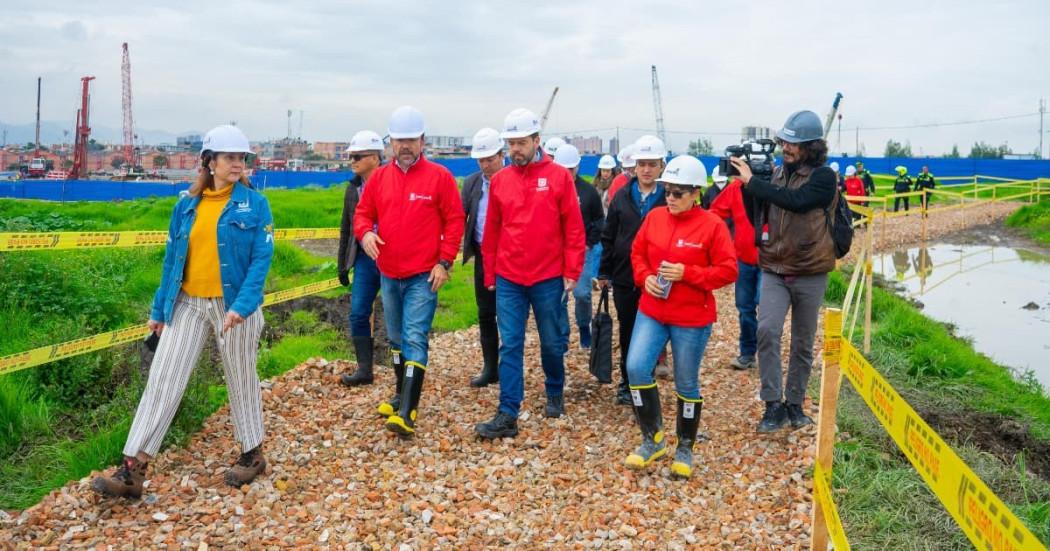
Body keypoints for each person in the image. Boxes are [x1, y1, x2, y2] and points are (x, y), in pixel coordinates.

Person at [93, 125, 275, 498]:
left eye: (242, 158)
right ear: (208, 162)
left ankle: (252, 454)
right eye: (229, 158)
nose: (237, 164)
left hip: (234, 306)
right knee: (163, 379)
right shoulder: (185, 206)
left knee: (241, 377)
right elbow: (172, 262)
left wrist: (242, 307)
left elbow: (261, 260)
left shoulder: (255, 205)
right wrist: (159, 309)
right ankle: (133, 471)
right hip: (188, 303)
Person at [623, 155, 737, 478]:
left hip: (691, 317)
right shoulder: (655, 218)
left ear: (696, 193)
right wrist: (643, 277)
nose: (669, 198)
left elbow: (728, 270)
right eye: (667, 191)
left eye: (677, 193)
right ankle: (653, 439)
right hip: (653, 310)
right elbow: (637, 252)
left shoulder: (712, 225)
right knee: (635, 367)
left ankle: (685, 447)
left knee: (686, 380)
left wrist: (688, 273)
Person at [475, 108, 586, 439]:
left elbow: (574, 228)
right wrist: (491, 274)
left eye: (521, 143)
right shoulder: (501, 182)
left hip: (548, 276)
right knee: (511, 343)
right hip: (510, 277)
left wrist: (572, 270)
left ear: (537, 141)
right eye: (510, 144)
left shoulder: (558, 177)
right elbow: (492, 230)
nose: (515, 150)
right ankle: (508, 412)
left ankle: (554, 388)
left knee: (552, 342)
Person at [354, 106, 465, 438]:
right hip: (389, 273)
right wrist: (366, 233)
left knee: (415, 337)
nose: (404, 145)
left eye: (411, 139)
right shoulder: (380, 179)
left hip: (423, 275)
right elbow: (362, 214)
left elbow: (455, 220)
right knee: (397, 338)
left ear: (422, 141)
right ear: (391, 142)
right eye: (399, 139)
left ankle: (408, 412)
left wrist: (445, 262)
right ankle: (400, 393)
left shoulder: (439, 177)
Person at [732, 109, 838, 433]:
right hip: (774, 268)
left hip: (810, 271)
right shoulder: (776, 174)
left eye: (793, 143)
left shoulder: (823, 177)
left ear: (811, 146)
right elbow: (759, 213)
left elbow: (797, 201)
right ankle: (772, 405)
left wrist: (755, 183)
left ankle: (795, 404)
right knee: (767, 330)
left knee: (803, 342)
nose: (786, 147)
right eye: (784, 141)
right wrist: (748, 186)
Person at [597, 135, 668, 405]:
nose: (646, 170)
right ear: (634, 166)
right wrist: (604, 273)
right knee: (628, 329)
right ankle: (628, 383)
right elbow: (609, 236)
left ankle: (646, 378)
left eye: (652, 164)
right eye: (642, 164)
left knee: (654, 330)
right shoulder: (622, 196)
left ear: (662, 165)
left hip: (659, 277)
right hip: (626, 276)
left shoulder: (670, 196)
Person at [338, 130, 387, 387]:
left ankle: (406, 374)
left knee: (395, 315)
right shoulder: (353, 188)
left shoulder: (394, 182)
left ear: (375, 158)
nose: (352, 161)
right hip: (365, 260)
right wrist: (342, 265)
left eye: (358, 156)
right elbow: (346, 228)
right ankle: (365, 370)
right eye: (351, 156)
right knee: (358, 313)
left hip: (392, 257)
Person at [461, 127, 505, 388]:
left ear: (502, 155)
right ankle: (491, 367)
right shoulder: (473, 183)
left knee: (510, 315)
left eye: (490, 159)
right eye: (481, 160)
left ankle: (510, 365)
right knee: (486, 313)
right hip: (482, 256)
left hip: (510, 258)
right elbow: (459, 215)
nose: (486, 165)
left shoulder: (514, 179)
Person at [708, 167, 761, 371]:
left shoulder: (775, 184)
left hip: (772, 260)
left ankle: (767, 355)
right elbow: (714, 213)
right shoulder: (734, 189)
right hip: (744, 259)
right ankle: (748, 353)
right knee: (745, 308)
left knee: (766, 309)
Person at [554, 144, 605, 350]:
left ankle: (584, 326)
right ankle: (563, 336)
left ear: (577, 167)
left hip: (581, 251)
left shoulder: (588, 192)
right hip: (555, 252)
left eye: (571, 169)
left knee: (582, 293)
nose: (567, 173)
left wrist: (588, 243)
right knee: (558, 296)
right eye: (564, 169)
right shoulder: (549, 189)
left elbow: (599, 220)